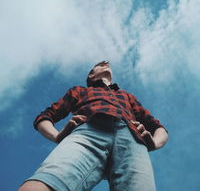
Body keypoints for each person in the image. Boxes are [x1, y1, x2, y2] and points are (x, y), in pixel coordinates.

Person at [19, 61, 168, 191]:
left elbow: (156, 126)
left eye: (107, 64)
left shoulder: (127, 96)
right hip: (87, 132)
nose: (106, 63)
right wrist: (57, 136)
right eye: (100, 64)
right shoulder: (79, 91)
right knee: (49, 180)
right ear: (91, 75)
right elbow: (45, 116)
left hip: (132, 140)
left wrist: (154, 144)